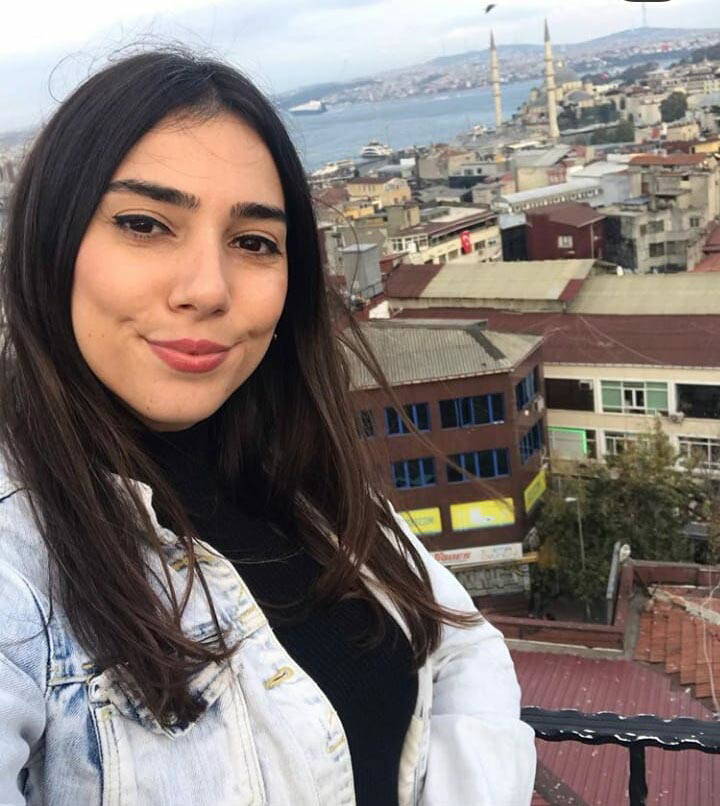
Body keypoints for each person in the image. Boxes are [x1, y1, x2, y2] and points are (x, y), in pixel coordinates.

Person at [0, 48, 536, 805]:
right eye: (145, 224)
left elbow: (459, 643)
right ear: (49, 242)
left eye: (253, 241)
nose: (207, 289)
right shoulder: (19, 567)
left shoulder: (298, 474)